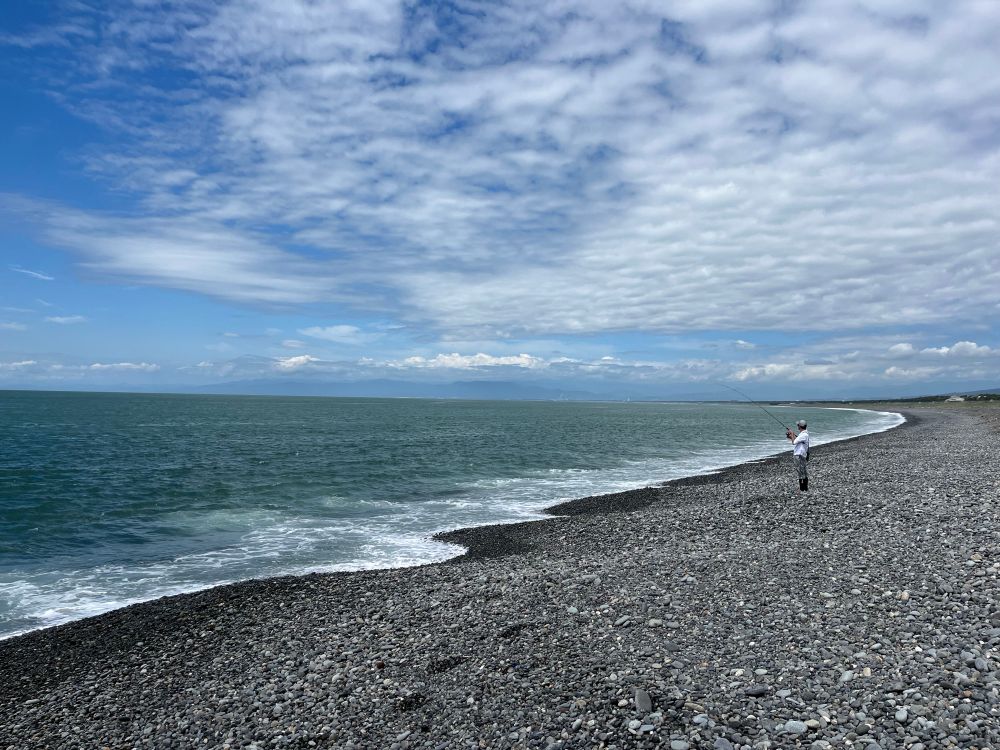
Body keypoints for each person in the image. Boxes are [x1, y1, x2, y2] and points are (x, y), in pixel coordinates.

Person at [785, 419, 810, 492]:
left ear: (800, 426)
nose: (797, 426)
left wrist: (792, 433)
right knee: (803, 471)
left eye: (798, 425)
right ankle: (804, 488)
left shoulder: (804, 435)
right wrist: (790, 436)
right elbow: (797, 441)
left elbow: (794, 442)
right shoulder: (804, 434)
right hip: (801, 454)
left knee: (800, 471)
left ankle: (803, 489)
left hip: (799, 455)